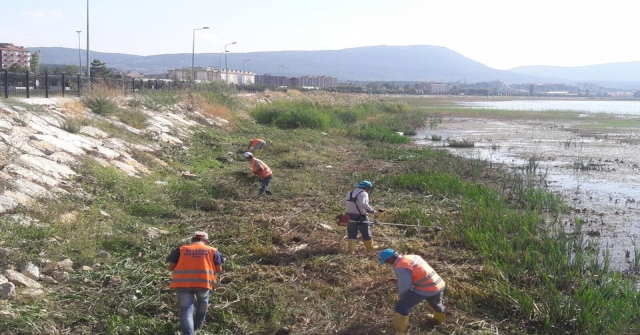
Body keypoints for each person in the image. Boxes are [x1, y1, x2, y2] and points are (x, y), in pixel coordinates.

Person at [167, 231, 224, 335]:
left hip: (182, 284)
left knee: (186, 309)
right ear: (206, 241)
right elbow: (219, 270)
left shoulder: (181, 249)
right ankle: (198, 325)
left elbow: (170, 267)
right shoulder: (213, 251)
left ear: (192, 240)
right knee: (203, 302)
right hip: (203, 283)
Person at [379, 248, 446, 332]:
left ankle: (398, 330)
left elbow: (405, 285)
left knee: (401, 305)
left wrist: (403, 298)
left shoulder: (401, 267)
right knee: (436, 303)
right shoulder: (412, 256)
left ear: (389, 259)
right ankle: (438, 320)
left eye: (386, 262)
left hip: (427, 288)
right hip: (439, 283)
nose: (387, 264)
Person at [344, 180, 380, 253]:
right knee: (366, 232)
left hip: (349, 216)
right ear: (366, 188)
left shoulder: (349, 193)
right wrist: (373, 211)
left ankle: (351, 250)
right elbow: (363, 204)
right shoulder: (363, 193)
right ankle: (370, 248)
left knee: (352, 232)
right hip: (360, 217)